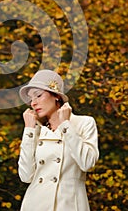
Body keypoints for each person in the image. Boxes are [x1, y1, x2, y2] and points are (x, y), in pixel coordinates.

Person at [18, 69, 99, 211]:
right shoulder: (36, 131)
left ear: (56, 96)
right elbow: (26, 176)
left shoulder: (83, 123)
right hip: (35, 204)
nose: (33, 103)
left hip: (69, 205)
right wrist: (29, 130)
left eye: (38, 95)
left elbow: (87, 163)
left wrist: (65, 126)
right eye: (31, 99)